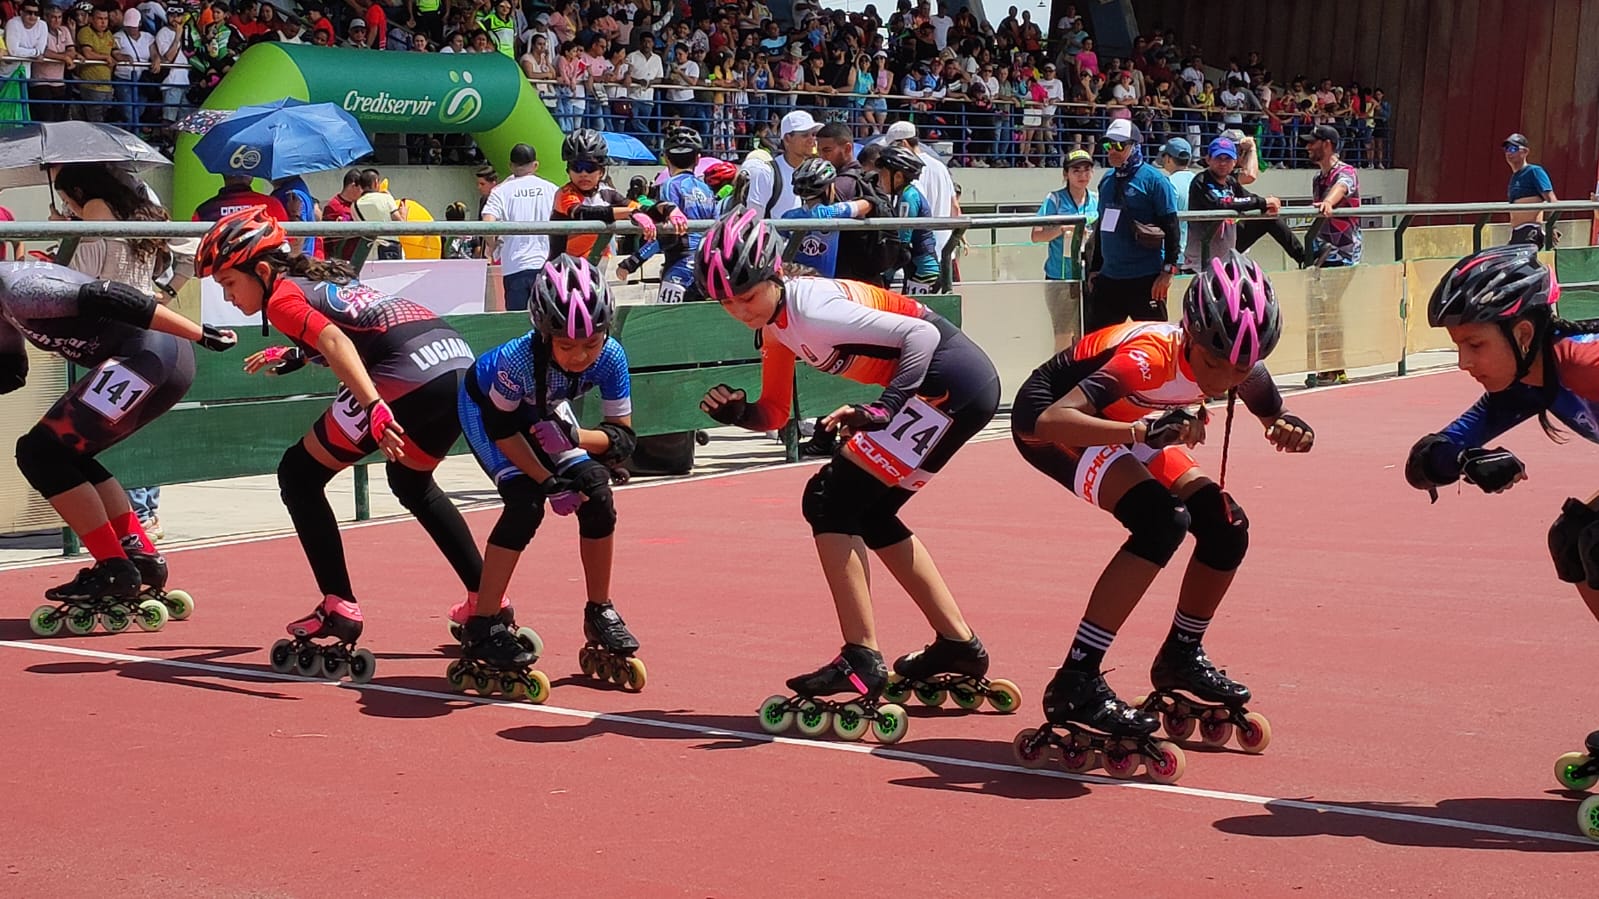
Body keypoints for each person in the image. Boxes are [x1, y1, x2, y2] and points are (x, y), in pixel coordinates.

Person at [696, 207, 1015, 746]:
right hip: (951, 389)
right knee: (867, 511)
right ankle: (957, 644)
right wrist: (740, 414)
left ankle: (861, 658)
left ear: (774, 274)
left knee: (829, 500)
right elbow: (774, 411)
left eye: (746, 296)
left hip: (947, 382)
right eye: (726, 303)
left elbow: (920, 338)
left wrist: (885, 408)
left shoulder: (813, 308)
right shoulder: (776, 327)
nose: (738, 311)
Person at [1009, 251, 1313, 778]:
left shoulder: (1240, 361)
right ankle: (1076, 678)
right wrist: (1143, 433)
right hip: (1055, 425)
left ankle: (1181, 656)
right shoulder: (1147, 356)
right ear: (1190, 335)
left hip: (1135, 422)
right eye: (1215, 364)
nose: (1227, 379)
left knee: (1225, 526)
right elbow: (1054, 418)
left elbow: (1277, 414)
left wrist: (1291, 429)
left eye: (1242, 368)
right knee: (1160, 521)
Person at [197, 206, 483, 683]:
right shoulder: (311, 283)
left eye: (229, 283)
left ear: (262, 271)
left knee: (299, 474)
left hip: (402, 374)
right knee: (412, 483)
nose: (227, 297)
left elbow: (334, 338)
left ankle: (339, 607)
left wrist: (372, 404)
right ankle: (486, 602)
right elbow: (355, 327)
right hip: (452, 362)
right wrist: (296, 353)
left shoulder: (281, 299)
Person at [5, 263, 235, 636]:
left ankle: (114, 567)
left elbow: (113, 296)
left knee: (39, 454)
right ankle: (139, 557)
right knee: (65, 455)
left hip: (147, 354)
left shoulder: (19, 288)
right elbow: (10, 373)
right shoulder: (4, 308)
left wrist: (199, 332)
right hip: (157, 359)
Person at [456, 254, 644, 692]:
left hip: (547, 411)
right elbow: (503, 430)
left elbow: (622, 439)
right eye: (566, 346)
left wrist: (575, 439)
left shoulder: (611, 356)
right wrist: (547, 480)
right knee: (525, 504)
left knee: (597, 492)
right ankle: (482, 625)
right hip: (490, 413)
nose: (580, 356)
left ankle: (601, 611)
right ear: (544, 334)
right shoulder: (517, 361)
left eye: (591, 344)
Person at [1085, 119, 1180, 334]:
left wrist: (1168, 272)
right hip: (1110, 279)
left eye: (1119, 145)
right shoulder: (1107, 180)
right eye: (1108, 145)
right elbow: (1103, 227)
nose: (1112, 151)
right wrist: (1095, 268)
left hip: (1146, 279)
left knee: (1155, 343)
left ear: (1135, 146)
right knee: (1096, 345)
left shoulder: (1155, 180)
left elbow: (1172, 227)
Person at [617, 127, 717, 304]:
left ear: (665, 158)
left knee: (665, 322)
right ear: (697, 159)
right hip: (705, 265)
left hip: (679, 265)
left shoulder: (669, 186)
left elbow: (667, 234)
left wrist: (633, 261)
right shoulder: (707, 189)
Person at [552, 129, 681, 263]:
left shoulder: (607, 192)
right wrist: (630, 212)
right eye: (577, 167)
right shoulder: (565, 193)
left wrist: (666, 209)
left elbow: (639, 207)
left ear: (601, 170)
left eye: (590, 167)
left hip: (598, 267)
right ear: (568, 170)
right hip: (563, 266)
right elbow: (582, 213)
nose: (583, 173)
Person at [1184, 137, 1282, 272]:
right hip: (1199, 265)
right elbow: (1222, 203)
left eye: (1227, 159)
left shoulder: (1230, 182)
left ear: (1235, 162)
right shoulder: (1201, 181)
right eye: (1219, 158)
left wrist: (1267, 203)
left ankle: (1305, 258)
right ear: (1208, 160)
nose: (1223, 163)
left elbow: (1247, 198)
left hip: (1226, 262)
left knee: (1270, 218)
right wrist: (1262, 202)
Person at [482, 143, 557, 312]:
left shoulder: (501, 191)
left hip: (515, 267)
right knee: (547, 322)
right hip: (546, 265)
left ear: (511, 166)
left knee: (519, 323)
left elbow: (488, 222)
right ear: (535, 165)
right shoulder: (551, 189)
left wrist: (492, 245)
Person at [871, 144, 940, 294]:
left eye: (882, 174)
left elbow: (902, 249)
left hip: (924, 272)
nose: (880, 180)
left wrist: (885, 276)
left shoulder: (908, 198)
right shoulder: (905, 194)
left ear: (898, 177)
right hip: (917, 269)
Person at [1031, 148, 1098, 281]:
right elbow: (1036, 235)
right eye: (1076, 170)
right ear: (1065, 174)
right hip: (1058, 276)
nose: (1082, 175)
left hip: (1089, 275)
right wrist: (1063, 228)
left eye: (1086, 170)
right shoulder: (1054, 199)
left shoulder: (1097, 199)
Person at [1503, 133, 1558, 248]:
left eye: (1514, 148)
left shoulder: (1534, 171)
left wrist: (1552, 227)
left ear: (1525, 152)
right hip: (1517, 232)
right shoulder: (1515, 177)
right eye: (1507, 149)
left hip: (1530, 231)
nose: (1509, 153)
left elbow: (1551, 200)